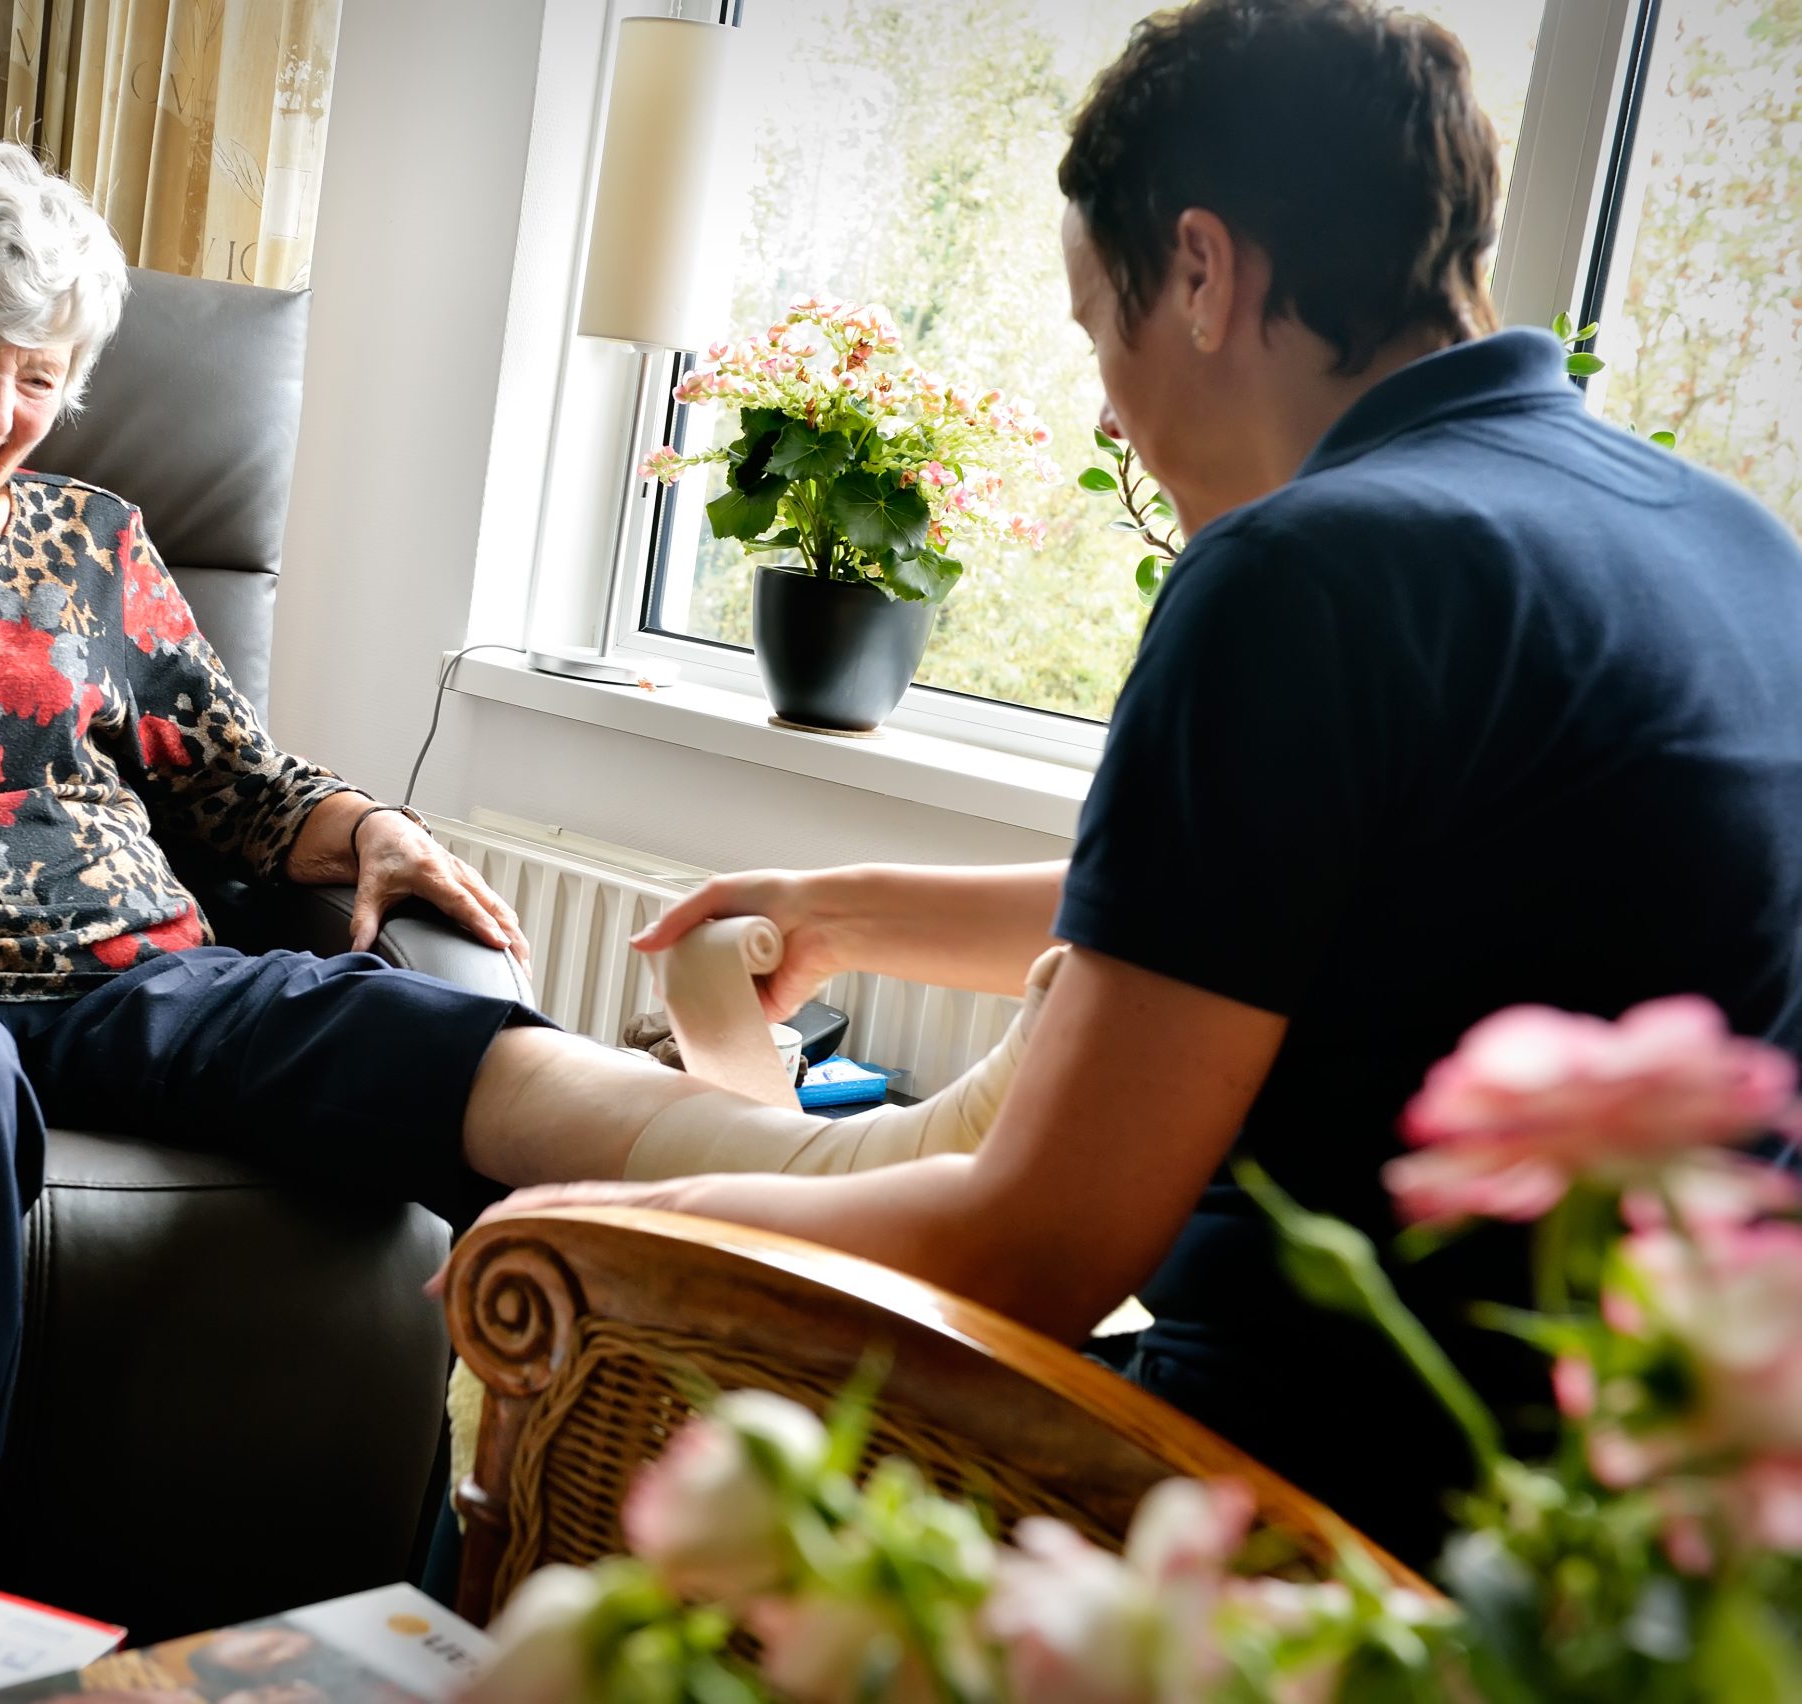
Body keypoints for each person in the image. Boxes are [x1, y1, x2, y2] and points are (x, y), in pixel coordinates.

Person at [0, 139, 977, 1583]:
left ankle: (817, 1190)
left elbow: (244, 787)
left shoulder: (96, 538)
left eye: (38, 376)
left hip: (132, 975)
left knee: (406, 1027)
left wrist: (375, 828)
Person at [476, 0, 1802, 1567]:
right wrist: (849, 908)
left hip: (1322, 1515)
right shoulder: (1725, 543)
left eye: (1097, 327)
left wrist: (592, 1230)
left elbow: (1025, 1245)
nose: (1107, 405)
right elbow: (1294, 907)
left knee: (607, 1474)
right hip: (1650, 1521)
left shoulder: (1306, 572)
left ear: (1201, 270)